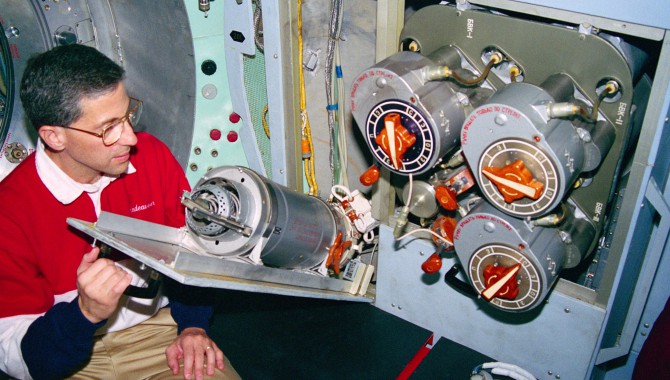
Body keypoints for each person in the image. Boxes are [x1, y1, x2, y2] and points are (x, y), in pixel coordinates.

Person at [0, 44, 240, 380]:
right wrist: (84, 313)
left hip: (159, 333)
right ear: (54, 137)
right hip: (68, 357)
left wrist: (193, 328)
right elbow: (22, 360)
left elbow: (191, 257)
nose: (130, 137)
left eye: (128, 115)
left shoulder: (152, 158)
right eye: (108, 127)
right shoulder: (9, 211)